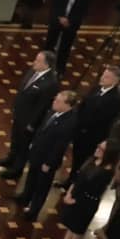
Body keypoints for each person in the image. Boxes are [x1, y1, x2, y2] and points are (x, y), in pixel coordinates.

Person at [47, 144, 114, 239]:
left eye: (101, 149)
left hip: (87, 202)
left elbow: (92, 188)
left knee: (77, 229)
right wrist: (69, 194)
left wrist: (75, 198)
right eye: (98, 146)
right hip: (76, 196)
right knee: (71, 226)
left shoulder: (106, 171)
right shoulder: (92, 161)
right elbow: (78, 179)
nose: (97, 149)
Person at [14, 91, 76, 221]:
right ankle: (25, 197)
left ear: (68, 105)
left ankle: (34, 210)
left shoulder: (69, 122)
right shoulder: (53, 112)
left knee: (41, 186)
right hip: (37, 153)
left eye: (58, 101)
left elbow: (60, 146)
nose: (54, 102)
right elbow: (42, 130)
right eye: (55, 100)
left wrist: (49, 163)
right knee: (31, 177)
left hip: (47, 160)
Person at [0, 52, 57, 178]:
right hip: (20, 114)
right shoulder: (32, 71)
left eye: (38, 61)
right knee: (15, 139)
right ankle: (11, 158)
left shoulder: (50, 83)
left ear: (46, 65)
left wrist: (32, 124)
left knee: (23, 145)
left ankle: (17, 169)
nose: (34, 62)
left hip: (29, 121)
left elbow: (42, 107)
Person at [67, 67, 120, 178]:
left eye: (106, 77)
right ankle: (70, 179)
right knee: (76, 157)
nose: (102, 78)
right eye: (103, 75)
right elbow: (83, 105)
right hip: (80, 131)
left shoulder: (116, 99)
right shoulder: (96, 88)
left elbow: (102, 119)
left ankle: (75, 182)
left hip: (92, 136)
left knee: (84, 160)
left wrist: (85, 126)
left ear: (116, 81)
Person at [41, 0, 94, 70]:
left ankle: (59, 70)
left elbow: (84, 11)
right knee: (49, 44)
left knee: (65, 47)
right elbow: (57, 2)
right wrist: (60, 16)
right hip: (57, 19)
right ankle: (44, 65)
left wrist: (69, 20)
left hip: (71, 24)